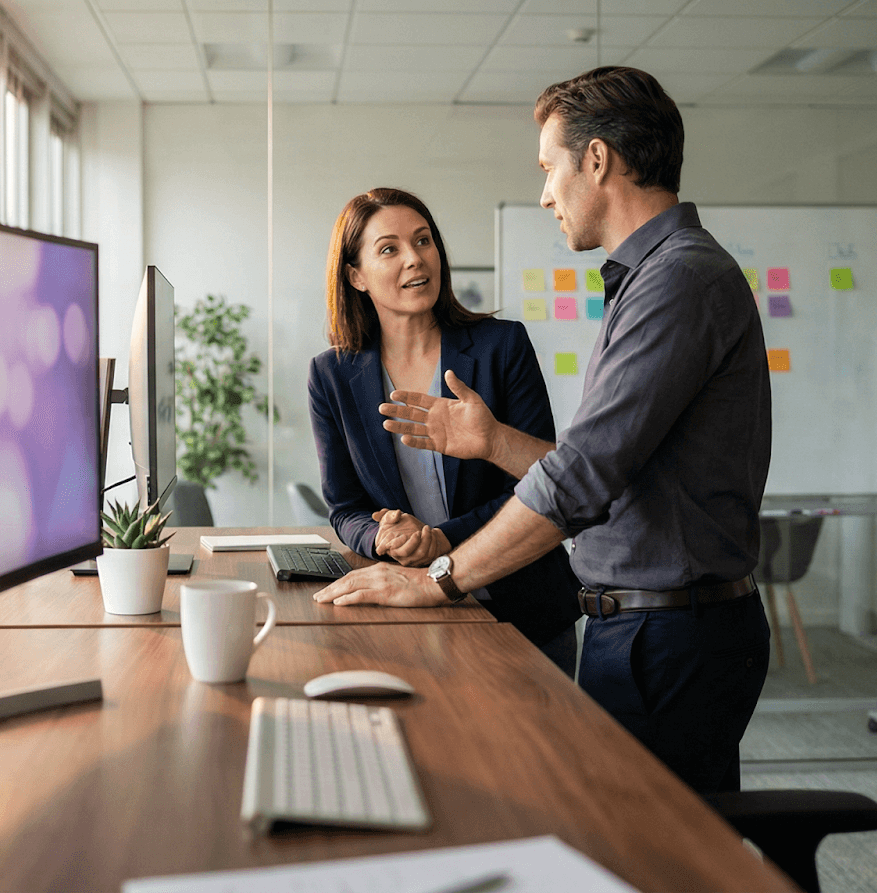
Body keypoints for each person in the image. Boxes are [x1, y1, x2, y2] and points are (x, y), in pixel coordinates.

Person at [313, 69, 773, 795]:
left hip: (669, 633)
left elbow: (580, 479)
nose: (546, 193)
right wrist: (494, 440)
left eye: (548, 168)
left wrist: (441, 575)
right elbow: (612, 468)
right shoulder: (653, 280)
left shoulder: (679, 282)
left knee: (651, 854)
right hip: (646, 628)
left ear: (596, 160)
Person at [307, 187, 582, 673]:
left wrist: (440, 538)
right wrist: (384, 539)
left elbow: (539, 482)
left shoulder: (503, 346)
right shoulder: (332, 375)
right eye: (389, 249)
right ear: (356, 276)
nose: (415, 259)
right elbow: (344, 507)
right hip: (411, 610)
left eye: (423, 241)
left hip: (523, 609)